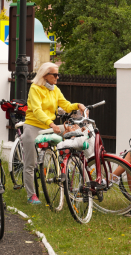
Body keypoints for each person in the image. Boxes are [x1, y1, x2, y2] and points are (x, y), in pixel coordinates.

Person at [22, 62, 86, 204]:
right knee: (30, 163)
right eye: (55, 75)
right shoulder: (35, 88)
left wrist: (78, 105)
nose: (57, 77)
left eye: (58, 74)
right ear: (45, 75)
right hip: (33, 126)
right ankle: (31, 195)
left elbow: (66, 105)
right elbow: (37, 110)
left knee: (78, 132)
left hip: (50, 126)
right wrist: (51, 123)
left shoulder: (55, 89)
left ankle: (74, 168)